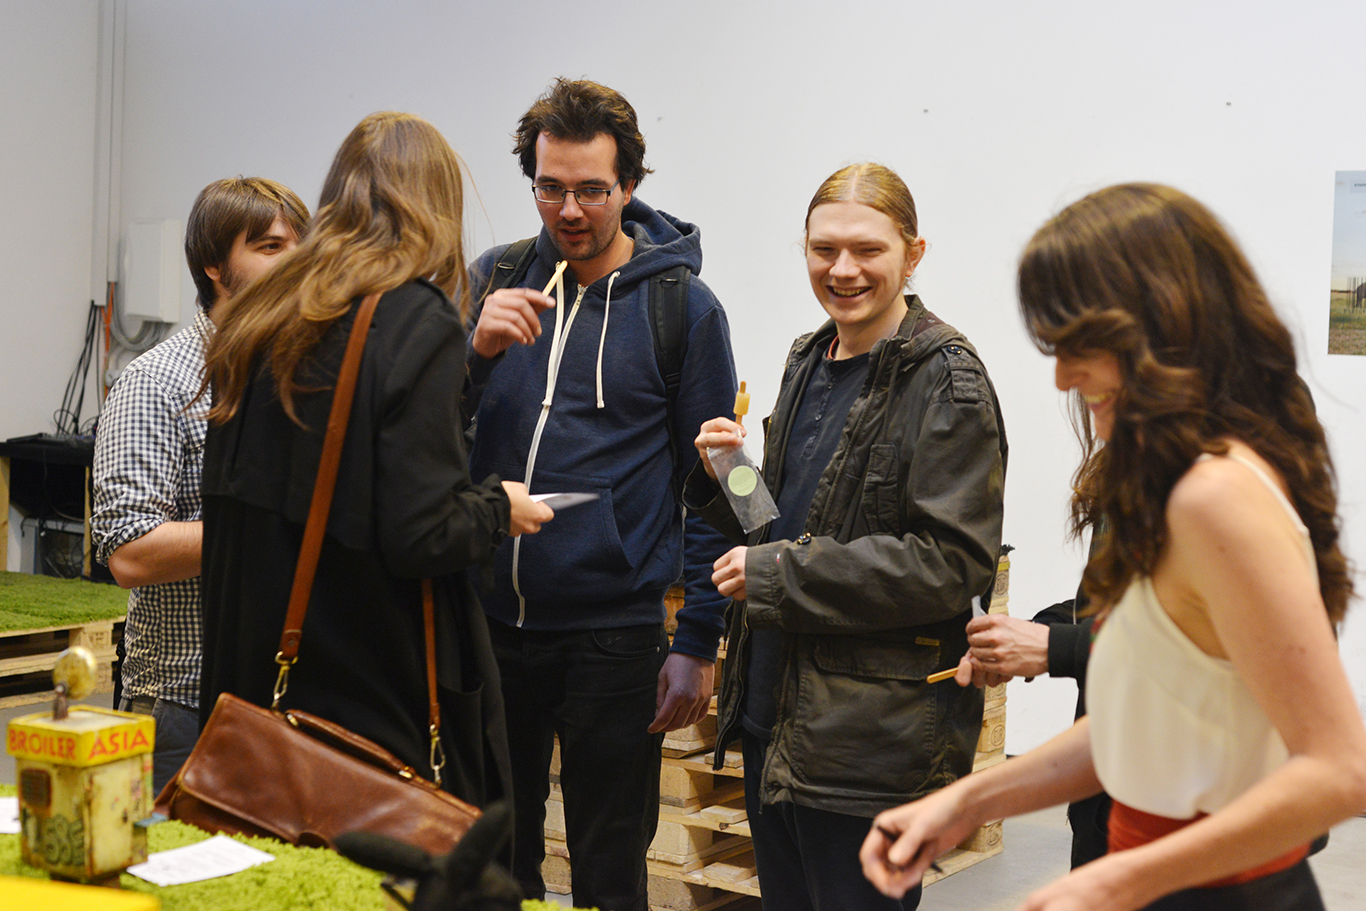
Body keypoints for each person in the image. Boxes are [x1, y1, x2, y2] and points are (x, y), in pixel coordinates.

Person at [863, 183, 1366, 911]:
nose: (1062, 376)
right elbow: (1142, 720)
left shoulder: (1213, 497)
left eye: (1078, 347)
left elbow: (1341, 771)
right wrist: (966, 802)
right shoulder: (1165, 481)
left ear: (1161, 326)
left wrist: (1115, 880)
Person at [199, 112, 552, 808]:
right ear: (437, 206)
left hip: (251, 697)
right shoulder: (412, 317)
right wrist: (496, 507)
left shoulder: (262, 312)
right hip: (359, 708)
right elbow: (422, 531)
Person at [689, 162, 1007, 911]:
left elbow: (950, 564)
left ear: (913, 253)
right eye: (823, 249)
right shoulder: (809, 356)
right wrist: (729, 474)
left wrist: (775, 575)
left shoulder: (947, 379)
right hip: (777, 721)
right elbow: (776, 523)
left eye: (868, 250)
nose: (842, 270)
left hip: (868, 748)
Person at [463, 78, 738, 910]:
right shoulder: (494, 279)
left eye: (591, 189)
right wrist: (472, 355)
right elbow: (429, 436)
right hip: (489, 625)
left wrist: (698, 638)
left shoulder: (683, 309)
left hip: (612, 637)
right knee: (491, 861)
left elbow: (716, 485)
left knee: (608, 867)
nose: (570, 210)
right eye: (550, 188)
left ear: (629, 185)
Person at [92, 176, 307, 793]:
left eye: (301, 246)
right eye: (270, 247)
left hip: (289, 704)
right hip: (185, 706)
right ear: (214, 265)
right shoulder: (159, 382)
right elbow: (131, 553)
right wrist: (268, 527)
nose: (294, 262)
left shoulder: (306, 377)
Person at [955, 577, 1108, 868]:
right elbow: (1107, 609)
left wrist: (1053, 645)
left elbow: (1175, 644)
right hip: (1101, 802)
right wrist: (1040, 630)